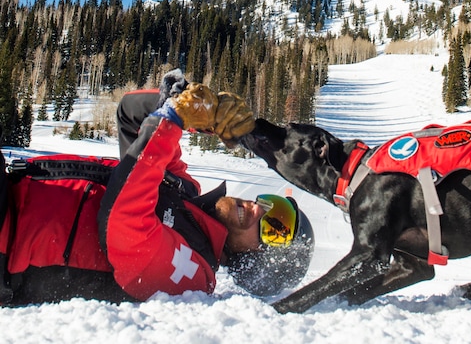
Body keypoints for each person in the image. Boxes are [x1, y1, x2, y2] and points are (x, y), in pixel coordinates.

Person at [0, 74, 314, 305]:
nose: (260, 209)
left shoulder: (192, 276)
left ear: (257, 262)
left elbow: (123, 221)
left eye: (276, 229)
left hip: (8, 242)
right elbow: (130, 116)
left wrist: (173, 118)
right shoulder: (185, 189)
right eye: (274, 206)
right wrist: (192, 109)